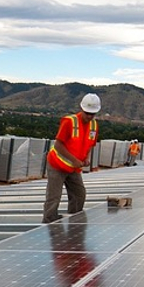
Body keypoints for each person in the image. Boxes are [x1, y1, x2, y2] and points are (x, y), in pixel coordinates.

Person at [42, 93, 101, 222]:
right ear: (82, 109)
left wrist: (87, 158)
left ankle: (74, 221)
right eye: (87, 113)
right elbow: (58, 145)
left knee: (79, 195)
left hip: (74, 168)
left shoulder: (94, 126)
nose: (89, 116)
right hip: (57, 164)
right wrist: (74, 160)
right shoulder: (70, 121)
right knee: (54, 197)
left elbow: (90, 144)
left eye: (93, 114)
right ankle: (48, 223)